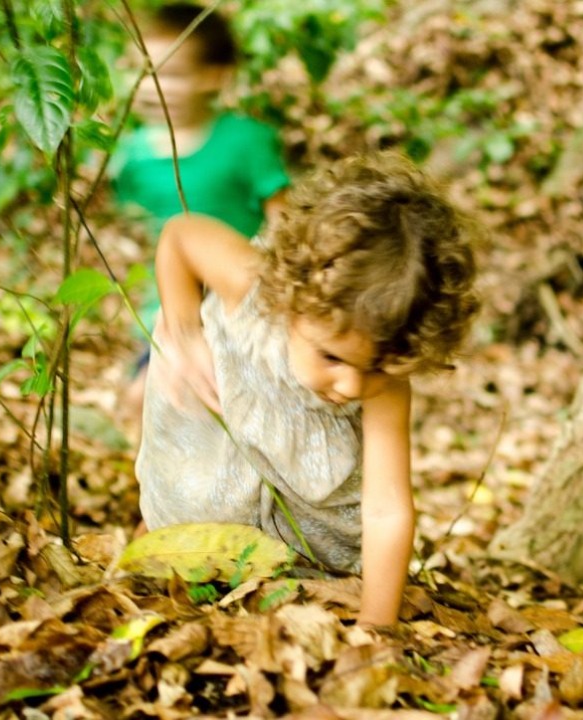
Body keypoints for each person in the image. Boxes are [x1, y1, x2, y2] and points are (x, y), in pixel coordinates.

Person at [136, 153, 480, 626]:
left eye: (378, 367)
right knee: (173, 510)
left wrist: (377, 627)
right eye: (332, 357)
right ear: (294, 296)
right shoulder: (254, 287)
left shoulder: (386, 387)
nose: (352, 385)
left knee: (307, 574)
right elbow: (182, 234)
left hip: (304, 513)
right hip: (220, 434)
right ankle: (155, 545)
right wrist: (183, 327)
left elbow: (386, 509)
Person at [109, 2, 290, 427]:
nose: (155, 88)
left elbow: (283, 218)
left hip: (241, 300)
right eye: (144, 73)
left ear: (213, 76)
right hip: (169, 307)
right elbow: (135, 229)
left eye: (170, 74)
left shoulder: (246, 140)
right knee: (145, 401)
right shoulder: (131, 157)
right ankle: (150, 492)